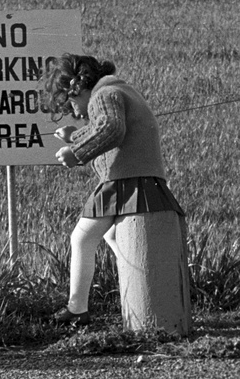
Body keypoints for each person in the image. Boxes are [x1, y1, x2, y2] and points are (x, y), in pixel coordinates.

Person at [40, 53, 185, 327]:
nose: (76, 112)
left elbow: (111, 129)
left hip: (125, 180)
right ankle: (140, 296)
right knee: (116, 239)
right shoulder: (117, 90)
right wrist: (75, 135)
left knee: (81, 238)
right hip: (138, 178)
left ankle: (77, 308)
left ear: (80, 87)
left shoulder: (103, 96)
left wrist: (76, 152)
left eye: (72, 102)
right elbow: (106, 127)